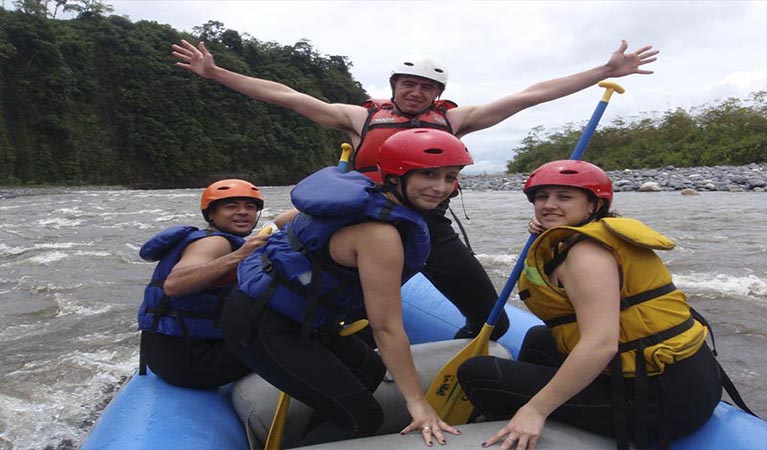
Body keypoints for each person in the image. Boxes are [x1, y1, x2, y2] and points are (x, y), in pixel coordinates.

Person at [172, 38, 659, 341]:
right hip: (360, 230)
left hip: (427, 227)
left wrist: (602, 71)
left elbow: (528, 96)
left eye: (425, 87)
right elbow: (285, 95)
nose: (416, 92)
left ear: (436, 94)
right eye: (408, 84)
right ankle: (328, 343)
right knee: (341, 307)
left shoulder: (453, 120)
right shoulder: (359, 118)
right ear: (394, 85)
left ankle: (468, 360)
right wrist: (216, 73)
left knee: (493, 317)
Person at [219, 129, 470, 447]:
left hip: (297, 313)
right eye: (429, 175)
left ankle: (314, 438)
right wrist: (417, 403)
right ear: (395, 176)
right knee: (362, 418)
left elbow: (281, 222)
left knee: (369, 370)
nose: (441, 188)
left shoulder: (358, 199)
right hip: (264, 323)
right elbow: (386, 328)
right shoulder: (381, 235)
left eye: (450, 177)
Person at [456, 160, 722, 450]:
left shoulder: (586, 254)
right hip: (687, 379)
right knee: (538, 340)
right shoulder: (597, 233)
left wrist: (535, 410)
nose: (548, 205)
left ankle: (521, 426)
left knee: (478, 372)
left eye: (564, 197)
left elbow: (600, 345)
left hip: (659, 404)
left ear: (594, 205)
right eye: (542, 197)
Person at [136, 179, 270, 389]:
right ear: (211, 214)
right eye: (231, 206)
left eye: (250, 207)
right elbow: (174, 285)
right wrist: (240, 255)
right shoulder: (214, 243)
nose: (243, 212)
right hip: (192, 361)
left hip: (163, 353)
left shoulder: (208, 238)